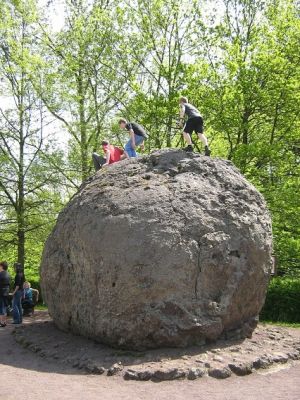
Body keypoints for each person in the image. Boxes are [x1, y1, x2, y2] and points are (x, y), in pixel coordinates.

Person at [0, 261, 10, 328]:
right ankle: (4, 321)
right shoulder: (8, 273)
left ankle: (2, 322)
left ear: (1, 266)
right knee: (5, 306)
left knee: (1, 307)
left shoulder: (1, 274)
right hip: (6, 292)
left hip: (1, 292)